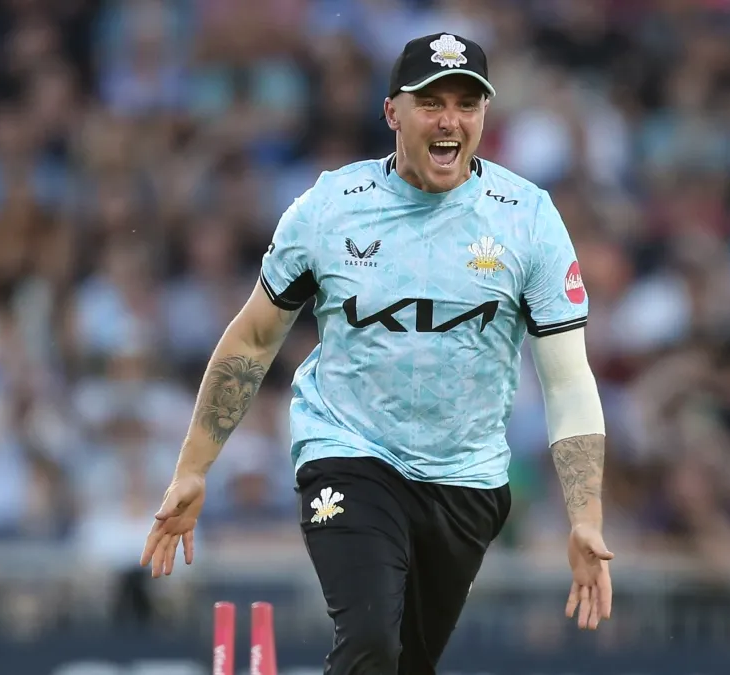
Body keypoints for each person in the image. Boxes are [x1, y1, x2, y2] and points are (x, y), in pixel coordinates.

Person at [139, 32, 614, 673]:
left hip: (465, 478)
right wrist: (194, 468)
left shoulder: (527, 219)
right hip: (348, 450)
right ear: (393, 112)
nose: (450, 121)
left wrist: (585, 517)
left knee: (403, 666)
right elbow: (254, 337)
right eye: (431, 103)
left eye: (467, 104)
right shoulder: (331, 210)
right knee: (369, 640)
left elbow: (567, 381)